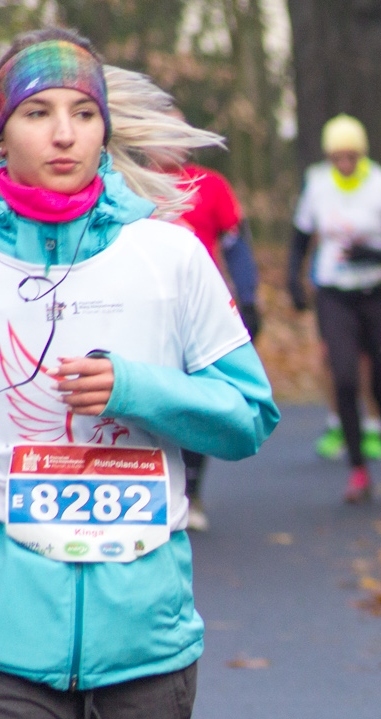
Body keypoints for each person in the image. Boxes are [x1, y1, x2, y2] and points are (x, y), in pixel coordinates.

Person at [0, 28, 278, 719]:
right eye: (36, 113)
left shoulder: (164, 252)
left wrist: (141, 390)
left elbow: (249, 416)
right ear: (0, 130)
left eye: (83, 113)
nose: (63, 135)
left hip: (144, 649)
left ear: (107, 128)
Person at [142, 95, 262, 533]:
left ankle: (192, 488)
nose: (173, 143)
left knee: (197, 396)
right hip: (146, 307)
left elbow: (236, 246)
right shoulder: (129, 185)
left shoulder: (209, 185)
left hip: (198, 309)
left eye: (180, 134)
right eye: (164, 134)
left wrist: (249, 298)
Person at [288, 114, 381, 503]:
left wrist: (370, 255)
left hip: (379, 291)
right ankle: (358, 470)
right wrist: (294, 280)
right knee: (343, 376)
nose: (344, 164)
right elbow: (300, 237)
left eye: (351, 156)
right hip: (335, 293)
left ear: (361, 154)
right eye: (337, 157)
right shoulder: (318, 183)